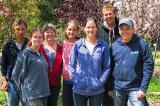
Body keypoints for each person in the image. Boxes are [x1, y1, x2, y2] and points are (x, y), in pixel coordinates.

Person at [110, 17, 154, 106]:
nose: (125, 31)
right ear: (118, 30)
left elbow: (148, 66)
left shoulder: (141, 44)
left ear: (133, 29)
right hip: (117, 88)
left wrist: (143, 88)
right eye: (122, 29)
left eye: (128, 28)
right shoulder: (114, 46)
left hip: (135, 88)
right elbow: (109, 67)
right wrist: (110, 87)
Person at [69, 17, 110, 106]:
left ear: (97, 28)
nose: (90, 29)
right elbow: (71, 64)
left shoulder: (103, 46)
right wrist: (75, 79)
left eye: (93, 27)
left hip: (97, 89)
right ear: (84, 28)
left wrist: (101, 81)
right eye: (88, 27)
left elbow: (107, 67)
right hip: (79, 88)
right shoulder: (78, 45)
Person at [12, 28, 50, 106]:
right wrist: (23, 90)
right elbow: (15, 74)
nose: (37, 39)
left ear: (43, 39)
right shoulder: (25, 54)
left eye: (40, 37)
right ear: (31, 39)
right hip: (32, 94)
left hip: (44, 92)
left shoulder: (41, 54)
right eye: (35, 37)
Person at [1, 19, 28, 106]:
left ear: (26, 30)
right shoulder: (8, 46)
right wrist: (4, 81)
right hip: (12, 84)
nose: (20, 32)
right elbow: (3, 65)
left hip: (27, 84)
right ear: (14, 30)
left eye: (23, 29)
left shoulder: (30, 44)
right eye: (18, 29)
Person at [97, 3, 120, 106]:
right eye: (106, 14)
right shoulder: (99, 30)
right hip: (103, 68)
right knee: (105, 99)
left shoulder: (121, 28)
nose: (108, 16)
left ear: (115, 14)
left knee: (118, 99)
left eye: (110, 14)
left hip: (118, 67)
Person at [40, 23, 63, 106]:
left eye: (51, 31)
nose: (49, 34)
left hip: (55, 84)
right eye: (47, 32)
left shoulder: (61, 48)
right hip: (41, 83)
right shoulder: (39, 47)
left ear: (55, 33)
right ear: (43, 34)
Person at [62, 20, 80, 106]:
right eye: (69, 29)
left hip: (78, 80)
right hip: (66, 80)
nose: (71, 32)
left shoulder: (81, 44)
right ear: (66, 30)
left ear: (77, 31)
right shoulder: (62, 44)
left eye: (74, 30)